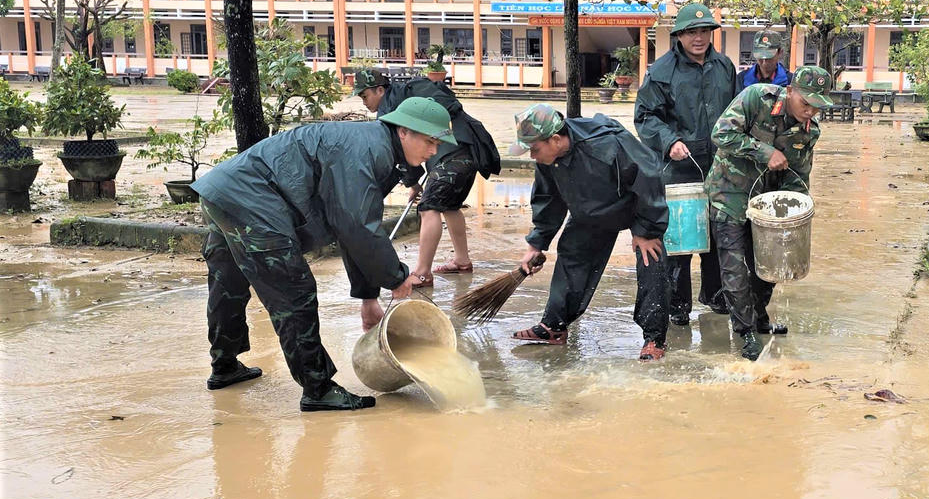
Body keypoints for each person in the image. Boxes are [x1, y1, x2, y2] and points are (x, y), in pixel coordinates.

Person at [192, 97, 456, 411]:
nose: (433, 151)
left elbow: (346, 224)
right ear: (403, 131)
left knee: (229, 281)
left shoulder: (369, 143)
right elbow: (356, 224)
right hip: (254, 202)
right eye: (429, 141)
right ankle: (317, 389)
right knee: (294, 290)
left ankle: (224, 364)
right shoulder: (370, 151)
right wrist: (396, 277)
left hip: (223, 193)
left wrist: (368, 296)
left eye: (437, 144)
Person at [508, 103, 672, 361]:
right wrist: (536, 244)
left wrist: (646, 229)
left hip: (634, 204)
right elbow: (548, 199)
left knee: (651, 257)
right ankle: (554, 326)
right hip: (592, 211)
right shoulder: (548, 158)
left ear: (555, 139)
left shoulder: (605, 144)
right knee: (571, 251)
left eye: (534, 149)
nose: (532, 155)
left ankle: (654, 339)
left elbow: (649, 175)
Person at [706, 66, 834, 361]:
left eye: (817, 106)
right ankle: (745, 331)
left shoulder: (809, 132)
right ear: (790, 91)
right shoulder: (755, 98)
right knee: (735, 268)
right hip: (730, 194)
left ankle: (759, 314)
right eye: (805, 103)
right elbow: (721, 133)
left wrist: (798, 210)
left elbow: (799, 174)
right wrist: (764, 152)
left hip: (768, 203)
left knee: (769, 264)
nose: (810, 111)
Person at [634, 2, 737, 327]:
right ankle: (678, 304)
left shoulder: (724, 66)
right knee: (681, 236)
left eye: (704, 31)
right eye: (692, 32)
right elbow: (645, 116)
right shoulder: (662, 72)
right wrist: (668, 141)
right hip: (677, 168)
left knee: (719, 232)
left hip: (720, 165)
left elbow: (736, 111)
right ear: (679, 35)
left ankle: (716, 294)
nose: (699, 38)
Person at [350, 69, 500, 288]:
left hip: (451, 156)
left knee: (428, 207)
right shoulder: (409, 95)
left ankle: (422, 273)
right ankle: (461, 260)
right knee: (450, 206)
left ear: (380, 90)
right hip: (471, 150)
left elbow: (398, 151)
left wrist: (411, 183)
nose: (364, 102)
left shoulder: (392, 109)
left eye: (365, 96)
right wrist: (413, 182)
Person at [735, 30, 792, 95]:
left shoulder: (790, 81)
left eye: (769, 57)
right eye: (761, 56)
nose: (764, 61)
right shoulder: (741, 79)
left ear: (780, 53)